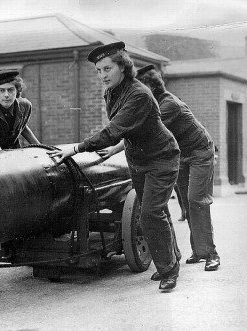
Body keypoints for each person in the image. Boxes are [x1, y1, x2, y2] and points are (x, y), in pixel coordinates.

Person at [48, 42, 181, 290]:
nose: (102, 75)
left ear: (123, 66)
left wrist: (76, 148)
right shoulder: (112, 91)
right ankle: (172, 259)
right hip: (137, 159)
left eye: (107, 68)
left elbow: (114, 129)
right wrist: (116, 148)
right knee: (155, 212)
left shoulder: (139, 94)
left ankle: (169, 270)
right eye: (98, 70)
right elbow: (126, 128)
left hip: (162, 158)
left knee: (151, 213)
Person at [136, 65, 220, 273]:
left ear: (152, 87)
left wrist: (113, 148)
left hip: (200, 151)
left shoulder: (169, 105)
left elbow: (144, 131)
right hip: (181, 155)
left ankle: (210, 254)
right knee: (185, 203)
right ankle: (198, 252)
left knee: (196, 200)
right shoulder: (154, 105)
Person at [0, 69, 41, 264]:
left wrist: (39, 147)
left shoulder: (25, 106)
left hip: (12, 153)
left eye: (11, 90)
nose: (6, 95)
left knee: (17, 200)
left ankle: (9, 247)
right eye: (2, 90)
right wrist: (1, 161)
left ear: (17, 91)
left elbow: (23, 127)